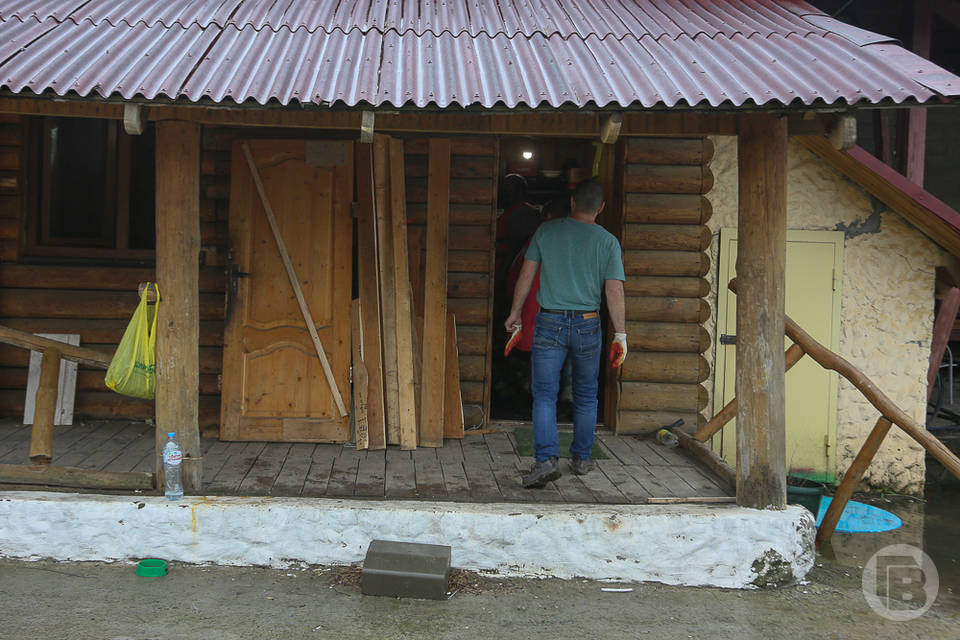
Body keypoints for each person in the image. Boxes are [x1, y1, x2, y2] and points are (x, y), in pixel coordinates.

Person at [504, 180, 627, 488]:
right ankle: (582, 458)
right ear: (601, 208)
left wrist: (515, 312)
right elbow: (614, 289)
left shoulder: (546, 232)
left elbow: (527, 274)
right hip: (588, 323)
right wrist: (620, 333)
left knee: (545, 394)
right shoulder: (608, 241)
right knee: (586, 394)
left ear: (572, 202)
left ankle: (546, 460)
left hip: (550, 322)